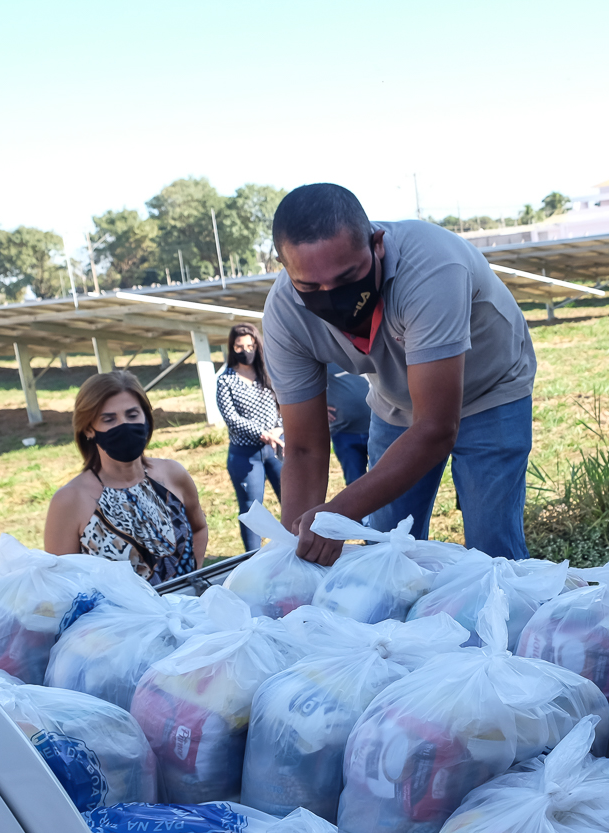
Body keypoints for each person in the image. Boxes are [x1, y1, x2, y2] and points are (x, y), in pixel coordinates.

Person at [258, 183, 537, 563]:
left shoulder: (431, 267)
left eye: (346, 278)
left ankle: (507, 617)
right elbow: (304, 448)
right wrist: (295, 555)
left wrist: (340, 512)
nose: (330, 296)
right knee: (385, 549)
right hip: (396, 404)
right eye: (309, 286)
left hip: (490, 389)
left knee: (492, 551)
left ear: (378, 244)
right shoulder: (285, 314)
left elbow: (435, 427)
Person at [45, 370, 205, 584]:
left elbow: (199, 528)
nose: (124, 426)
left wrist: (189, 581)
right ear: (88, 429)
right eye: (109, 419)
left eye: (132, 415)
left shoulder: (173, 474)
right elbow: (61, 584)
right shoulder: (70, 500)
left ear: (146, 418)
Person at [217, 323, 284, 553]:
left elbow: (284, 403)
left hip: (276, 449)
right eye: (239, 346)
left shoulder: (268, 372)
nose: (245, 350)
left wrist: (278, 429)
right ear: (231, 347)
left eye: (250, 345)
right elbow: (231, 417)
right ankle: (253, 558)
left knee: (293, 500)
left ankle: (295, 549)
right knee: (251, 509)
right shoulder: (225, 380)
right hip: (246, 455)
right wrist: (261, 433)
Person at [326, 367, 371, 485]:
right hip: (344, 432)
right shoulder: (324, 354)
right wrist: (316, 408)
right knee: (355, 483)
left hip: (380, 429)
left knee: (387, 481)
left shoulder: (372, 351)